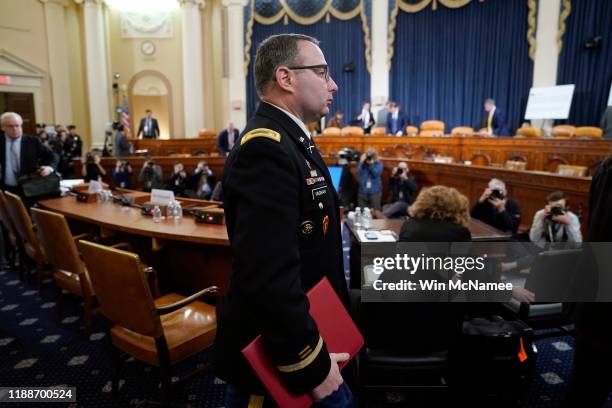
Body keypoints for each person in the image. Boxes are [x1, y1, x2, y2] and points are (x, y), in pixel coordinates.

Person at [215, 33, 353, 407]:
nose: (334, 84)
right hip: (288, 359)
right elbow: (268, 277)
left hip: (307, 334)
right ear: (286, 77)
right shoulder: (266, 147)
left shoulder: (291, 140)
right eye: (322, 72)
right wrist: (312, 367)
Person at [0, 112, 57, 196]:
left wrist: (49, 168)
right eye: (10, 126)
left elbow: (53, 157)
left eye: (17, 125)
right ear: (3, 127)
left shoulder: (33, 141)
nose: (15, 129)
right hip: (5, 188)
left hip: (29, 188)